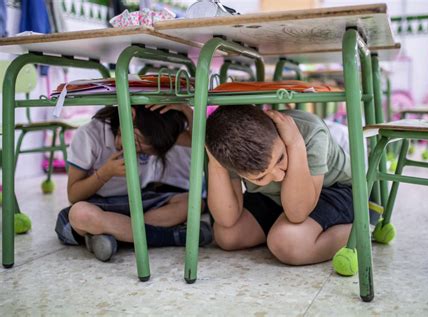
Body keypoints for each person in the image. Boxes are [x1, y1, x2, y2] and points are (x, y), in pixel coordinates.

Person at [55, 104, 212, 262]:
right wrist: (104, 173)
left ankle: (116, 236)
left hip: (139, 201)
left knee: (193, 202)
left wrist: (187, 111)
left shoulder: (157, 135)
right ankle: (172, 236)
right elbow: (74, 195)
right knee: (79, 214)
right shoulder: (89, 135)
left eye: (145, 152)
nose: (138, 151)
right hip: (98, 205)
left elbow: (201, 140)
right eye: (137, 144)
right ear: (130, 114)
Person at [205, 105, 353, 265]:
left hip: (333, 189)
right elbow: (227, 219)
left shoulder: (310, 131)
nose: (279, 175)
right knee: (227, 236)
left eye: (281, 158)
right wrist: (216, 163)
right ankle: (286, 228)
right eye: (261, 177)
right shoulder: (231, 151)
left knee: (287, 242)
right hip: (275, 197)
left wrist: (295, 144)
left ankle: (362, 229)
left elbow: (297, 213)